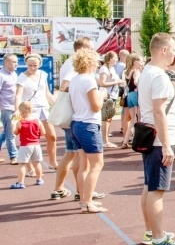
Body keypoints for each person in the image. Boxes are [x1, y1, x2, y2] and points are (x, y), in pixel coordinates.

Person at [138, 33, 175, 245]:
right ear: (163, 50)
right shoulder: (158, 76)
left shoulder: (147, 72)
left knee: (150, 187)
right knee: (157, 190)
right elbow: (158, 110)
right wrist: (167, 144)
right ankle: (158, 239)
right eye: (174, 50)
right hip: (159, 140)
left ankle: (152, 231)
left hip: (153, 137)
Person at [51, 36, 95, 201]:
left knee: (71, 154)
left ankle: (61, 188)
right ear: (82, 49)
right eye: (90, 48)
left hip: (74, 115)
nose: (93, 50)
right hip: (76, 115)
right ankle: (80, 191)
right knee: (78, 155)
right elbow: (64, 85)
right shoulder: (73, 64)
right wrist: (83, 91)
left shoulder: (70, 62)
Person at [69, 49, 108, 213]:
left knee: (83, 165)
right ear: (90, 62)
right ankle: (88, 201)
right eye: (96, 61)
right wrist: (102, 95)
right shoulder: (89, 81)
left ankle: (84, 200)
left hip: (77, 123)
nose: (98, 64)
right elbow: (96, 106)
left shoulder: (74, 80)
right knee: (97, 164)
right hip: (88, 124)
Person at [14, 53, 57, 170]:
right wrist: (17, 110)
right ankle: (29, 168)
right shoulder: (22, 77)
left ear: (40, 64)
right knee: (28, 140)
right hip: (29, 111)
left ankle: (53, 162)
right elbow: (18, 96)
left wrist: (57, 105)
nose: (33, 68)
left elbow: (47, 93)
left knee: (52, 137)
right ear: (26, 64)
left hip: (43, 108)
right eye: (30, 65)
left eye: (35, 65)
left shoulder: (43, 75)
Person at [9, 101, 44, 188]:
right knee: (37, 163)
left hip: (25, 145)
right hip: (36, 145)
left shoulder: (20, 122)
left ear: (22, 112)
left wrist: (13, 125)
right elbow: (43, 132)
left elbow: (15, 132)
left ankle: (20, 182)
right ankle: (39, 179)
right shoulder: (38, 121)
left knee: (22, 164)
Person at [98, 51, 125, 149]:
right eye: (115, 58)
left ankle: (105, 139)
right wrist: (116, 82)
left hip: (112, 95)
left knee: (109, 118)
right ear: (109, 58)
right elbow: (102, 83)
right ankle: (104, 141)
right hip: (107, 95)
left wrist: (118, 82)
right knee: (105, 118)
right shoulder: (104, 69)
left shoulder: (112, 69)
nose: (116, 60)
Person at [120, 54, 144, 148]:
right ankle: (138, 141)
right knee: (139, 119)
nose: (142, 63)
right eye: (141, 61)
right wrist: (139, 87)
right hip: (135, 95)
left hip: (129, 96)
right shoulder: (137, 71)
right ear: (136, 62)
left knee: (133, 119)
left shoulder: (128, 71)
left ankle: (125, 141)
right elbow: (136, 82)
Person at [0, 54, 19, 164]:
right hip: (6, 107)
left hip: (15, 107)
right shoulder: (1, 75)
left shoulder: (14, 74)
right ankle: (13, 156)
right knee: (10, 132)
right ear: (6, 62)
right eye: (13, 61)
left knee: (7, 132)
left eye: (16, 61)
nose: (16, 64)